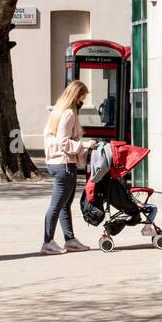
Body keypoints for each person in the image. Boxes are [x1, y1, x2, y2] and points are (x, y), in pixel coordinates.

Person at [41, 80, 93, 254]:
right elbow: (63, 142)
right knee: (57, 205)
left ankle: (70, 240)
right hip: (64, 164)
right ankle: (47, 242)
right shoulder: (69, 113)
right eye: (82, 98)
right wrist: (85, 145)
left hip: (56, 162)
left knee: (64, 204)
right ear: (76, 96)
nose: (82, 102)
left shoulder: (57, 111)